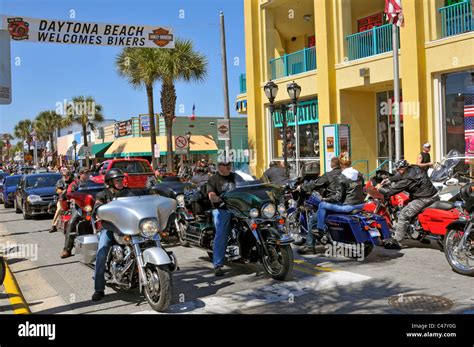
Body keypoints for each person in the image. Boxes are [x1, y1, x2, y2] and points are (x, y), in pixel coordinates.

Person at [377, 159, 439, 249]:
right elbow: (400, 176)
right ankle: (419, 236)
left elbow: (390, 192)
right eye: (397, 170)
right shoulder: (415, 167)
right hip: (434, 195)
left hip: (423, 199)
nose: (397, 171)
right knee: (413, 211)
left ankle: (398, 241)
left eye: (398, 169)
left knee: (403, 215)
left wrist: (379, 188)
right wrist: (389, 179)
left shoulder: (407, 180)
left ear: (403, 168)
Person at [92, 168, 132, 301]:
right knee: (102, 253)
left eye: (121, 179)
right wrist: (99, 209)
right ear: (110, 182)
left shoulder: (128, 192)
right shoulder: (102, 194)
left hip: (128, 228)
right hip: (109, 228)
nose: (121, 182)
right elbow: (97, 208)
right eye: (117, 180)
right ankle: (98, 289)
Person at [297, 157, 342, 255]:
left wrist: (303, 187)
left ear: (331, 165)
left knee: (313, 220)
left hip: (333, 202)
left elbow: (315, 184)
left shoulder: (329, 175)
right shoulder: (345, 174)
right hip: (346, 202)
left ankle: (309, 246)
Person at [314, 153, 366, 235]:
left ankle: (320, 229)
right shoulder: (359, 174)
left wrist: (324, 199)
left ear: (341, 164)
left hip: (349, 206)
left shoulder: (341, 177)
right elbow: (362, 187)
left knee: (322, 205)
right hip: (361, 204)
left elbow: (338, 197)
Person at [206, 161, 236, 276]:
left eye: (229, 164)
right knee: (222, 232)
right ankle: (217, 264)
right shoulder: (213, 179)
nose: (228, 166)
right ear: (219, 167)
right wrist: (216, 198)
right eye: (225, 164)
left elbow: (246, 183)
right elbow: (211, 194)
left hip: (237, 207)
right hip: (221, 208)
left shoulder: (235, 177)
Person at [60, 168, 91, 258]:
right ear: (80, 174)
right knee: (72, 222)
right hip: (79, 207)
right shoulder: (74, 184)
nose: (87, 175)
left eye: (88, 173)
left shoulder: (92, 182)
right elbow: (69, 194)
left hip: (91, 207)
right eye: (85, 173)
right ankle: (67, 249)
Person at [50, 168, 74, 233]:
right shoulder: (60, 181)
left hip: (72, 199)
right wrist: (62, 191)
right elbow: (58, 190)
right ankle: (54, 225)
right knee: (59, 209)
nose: (67, 176)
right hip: (62, 199)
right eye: (65, 175)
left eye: (68, 174)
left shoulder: (73, 181)